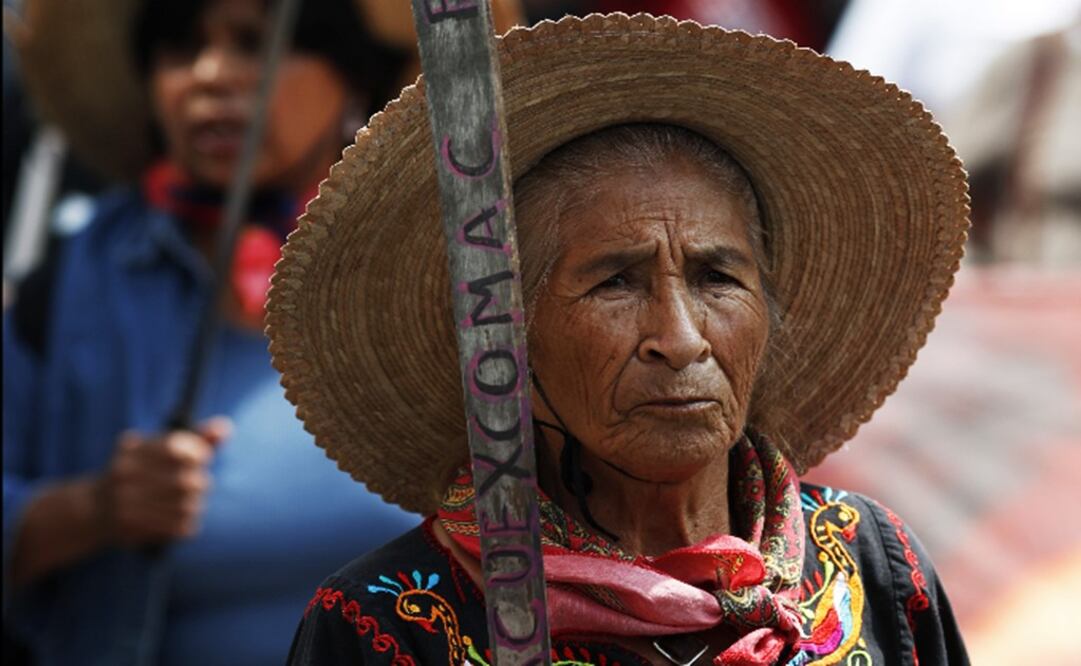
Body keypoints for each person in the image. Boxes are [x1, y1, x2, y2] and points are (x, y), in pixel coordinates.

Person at [269, 14, 971, 666]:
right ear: (506, 336)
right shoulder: (389, 623)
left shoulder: (873, 562)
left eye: (716, 277)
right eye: (615, 283)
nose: (680, 338)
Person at [0, 0, 505, 663]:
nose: (211, 75)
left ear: (353, 76)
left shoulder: (462, 277)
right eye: (180, 49)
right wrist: (91, 511)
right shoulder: (68, 286)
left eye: (255, 43)